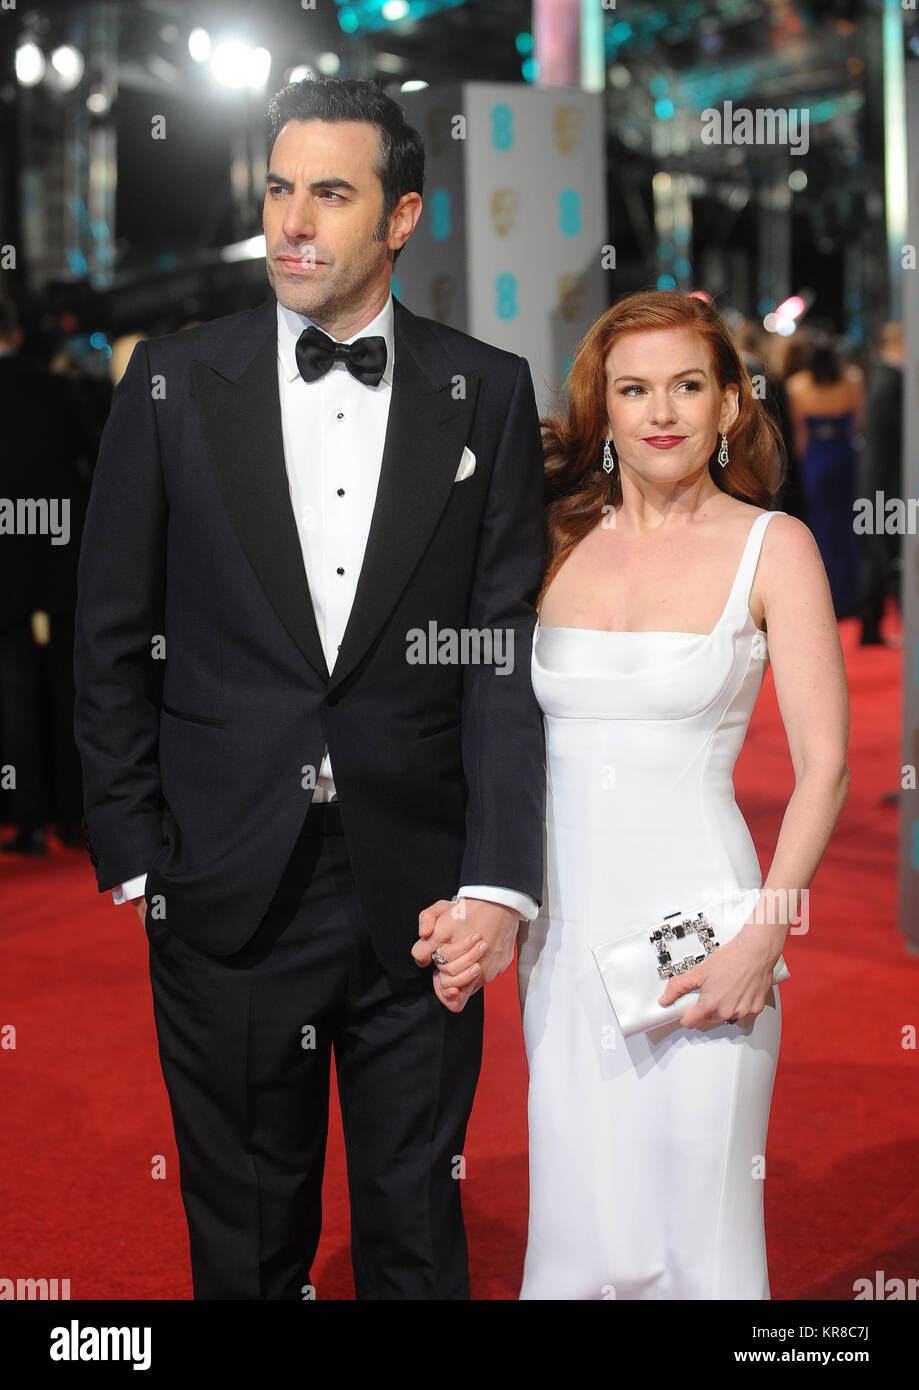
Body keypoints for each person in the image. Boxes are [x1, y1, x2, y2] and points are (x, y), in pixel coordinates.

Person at [74, 77, 546, 1300]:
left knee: (414, 1239)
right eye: (279, 188)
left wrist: (496, 876)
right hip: (224, 881)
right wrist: (136, 852)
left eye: (329, 193)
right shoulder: (172, 381)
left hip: (423, 892)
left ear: (399, 218)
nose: (292, 219)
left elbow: (500, 648)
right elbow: (110, 634)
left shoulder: (482, 391)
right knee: (243, 1242)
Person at [504, 289, 849, 1300]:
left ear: (730, 405)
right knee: (578, 1229)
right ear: (600, 409)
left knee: (700, 1237)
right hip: (560, 938)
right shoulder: (551, 539)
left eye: (687, 385)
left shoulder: (772, 545)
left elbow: (822, 767)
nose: (661, 411)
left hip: (704, 926)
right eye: (633, 388)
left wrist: (764, 937)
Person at [785, 325, 864, 619]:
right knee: (848, 526)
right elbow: (858, 420)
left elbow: (800, 435)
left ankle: (824, 597)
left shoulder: (797, 386)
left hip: (817, 461)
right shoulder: (852, 379)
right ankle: (849, 596)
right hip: (845, 457)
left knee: (819, 528)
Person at [857, 321, 904, 646]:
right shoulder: (890, 381)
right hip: (885, 482)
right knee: (888, 553)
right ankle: (878, 623)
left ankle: (871, 626)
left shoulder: (883, 377)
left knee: (879, 553)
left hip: (877, 480)